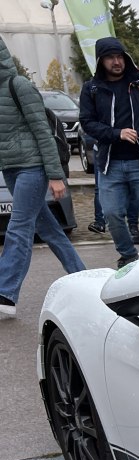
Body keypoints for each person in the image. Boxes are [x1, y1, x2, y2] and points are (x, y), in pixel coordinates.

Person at [0, 36, 85, 317]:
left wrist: (56, 175)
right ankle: (83, 279)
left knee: (19, 227)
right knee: (49, 230)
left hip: (32, 168)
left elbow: (43, 133)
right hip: (11, 168)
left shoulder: (19, 85)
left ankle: (5, 294)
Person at [79, 36, 139, 269]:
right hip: (111, 164)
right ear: (101, 61)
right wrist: (116, 133)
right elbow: (87, 122)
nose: (116, 62)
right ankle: (129, 255)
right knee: (111, 214)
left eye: (120, 56)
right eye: (110, 57)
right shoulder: (91, 89)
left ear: (126, 58)